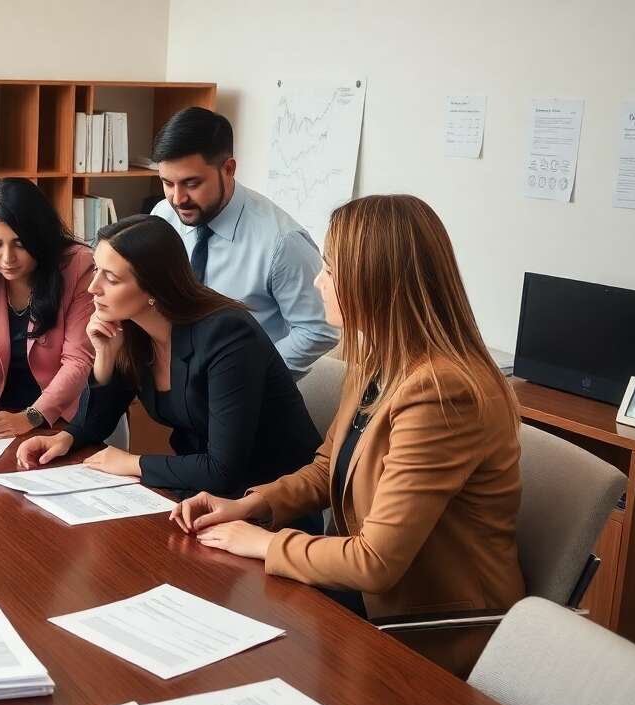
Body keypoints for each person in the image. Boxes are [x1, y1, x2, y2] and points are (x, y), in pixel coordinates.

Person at [172, 194, 524, 677]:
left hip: (430, 629)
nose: (319, 281)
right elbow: (327, 466)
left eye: (331, 270)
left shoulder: (442, 393)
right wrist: (251, 505)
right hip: (364, 601)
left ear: (374, 283)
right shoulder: (381, 361)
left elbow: (375, 561)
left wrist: (258, 542)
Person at [16, 214, 323, 522]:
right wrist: (70, 430)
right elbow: (96, 424)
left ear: (154, 288)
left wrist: (133, 463)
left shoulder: (227, 335)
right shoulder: (132, 328)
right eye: (96, 269)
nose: (93, 288)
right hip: (198, 498)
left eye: (111, 278)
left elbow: (223, 470)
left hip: (265, 507)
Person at [149, 107, 338, 378]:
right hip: (178, 386)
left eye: (191, 183)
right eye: (167, 183)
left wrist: (247, 375)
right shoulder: (163, 217)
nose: (178, 198)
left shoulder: (282, 243)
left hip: (248, 399)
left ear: (228, 169)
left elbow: (318, 330)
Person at [0, 178, 94, 437]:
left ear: (40, 236)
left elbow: (78, 362)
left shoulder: (78, 266)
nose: (7, 258)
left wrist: (31, 416)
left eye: (20, 244)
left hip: (64, 419)